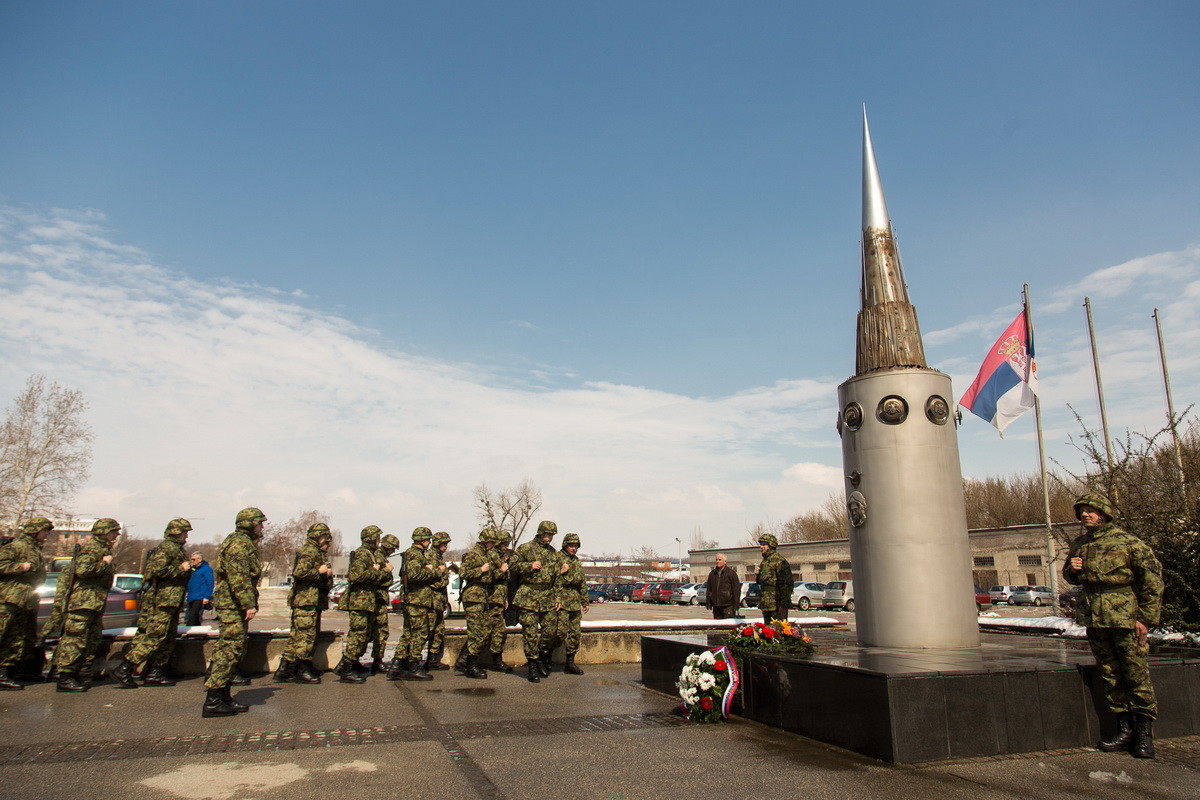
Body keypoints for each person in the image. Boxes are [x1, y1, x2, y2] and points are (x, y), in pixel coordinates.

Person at [1063, 492, 1164, 759]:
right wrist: (1071, 570)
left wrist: (1145, 619)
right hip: (1095, 617)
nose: (1085, 515)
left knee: (1136, 673)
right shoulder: (1080, 543)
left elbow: (1152, 580)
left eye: (1091, 510)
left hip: (1125, 618)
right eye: (1082, 511)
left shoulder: (1128, 542)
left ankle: (1144, 733)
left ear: (1105, 512)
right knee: (1109, 673)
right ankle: (1124, 729)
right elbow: (1071, 578)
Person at [112, 518, 194, 688]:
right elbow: (158, 570)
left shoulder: (176, 549)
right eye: (184, 532)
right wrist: (182, 568)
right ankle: (126, 667)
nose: (186, 536)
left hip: (172, 600)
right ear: (176, 533)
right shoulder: (167, 548)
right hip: (164, 600)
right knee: (156, 636)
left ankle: (155, 671)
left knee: (168, 637)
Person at [203, 507, 265, 718]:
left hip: (233, 604)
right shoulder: (239, 544)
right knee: (229, 650)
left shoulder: (242, 542)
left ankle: (224, 695)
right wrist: (248, 603)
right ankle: (213, 700)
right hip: (233, 605)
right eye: (259, 523)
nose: (261, 527)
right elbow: (239, 576)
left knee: (235, 649)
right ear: (249, 524)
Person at [51, 518, 121, 693]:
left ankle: (78, 673)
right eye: (113, 532)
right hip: (83, 603)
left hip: (93, 603)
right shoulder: (93, 549)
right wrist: (104, 563)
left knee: (91, 640)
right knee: (75, 640)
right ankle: (65, 676)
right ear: (104, 532)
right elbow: (82, 570)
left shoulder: (102, 549)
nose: (116, 535)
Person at [274, 522, 335, 685]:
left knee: (298, 635)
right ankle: (301, 669)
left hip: (311, 600)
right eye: (326, 538)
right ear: (319, 536)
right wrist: (320, 572)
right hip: (306, 600)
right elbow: (300, 573)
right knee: (305, 636)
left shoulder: (315, 551)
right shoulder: (309, 551)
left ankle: (285, 669)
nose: (327, 542)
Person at [0, 517, 52, 690]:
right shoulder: (16, 547)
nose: (46, 535)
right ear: (34, 530)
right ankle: (2, 673)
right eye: (44, 531)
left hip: (25, 600)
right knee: (7, 635)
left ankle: (16, 670)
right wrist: (20, 567)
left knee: (21, 637)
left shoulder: (34, 549)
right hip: (9, 599)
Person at [385, 527, 443, 681]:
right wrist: (435, 571)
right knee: (420, 632)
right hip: (416, 600)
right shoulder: (415, 555)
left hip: (415, 600)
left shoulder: (415, 554)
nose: (429, 542)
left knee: (409, 634)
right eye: (427, 540)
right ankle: (413, 667)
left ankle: (396, 666)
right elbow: (414, 574)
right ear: (421, 540)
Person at [512, 520, 561, 682]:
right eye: (547, 534)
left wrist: (558, 597)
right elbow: (512, 566)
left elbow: (557, 578)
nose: (550, 537)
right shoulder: (525, 548)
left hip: (547, 595)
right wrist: (528, 566)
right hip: (529, 595)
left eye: (552, 535)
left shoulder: (553, 553)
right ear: (540, 533)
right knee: (530, 633)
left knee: (550, 631)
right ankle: (532, 666)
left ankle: (541, 656)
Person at [334, 526, 384, 684]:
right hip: (360, 602)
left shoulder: (370, 553)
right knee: (358, 634)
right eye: (377, 538)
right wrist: (375, 570)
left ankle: (353, 663)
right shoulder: (363, 553)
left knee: (363, 634)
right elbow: (356, 575)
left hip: (366, 602)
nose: (379, 541)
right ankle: (347, 669)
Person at [457, 528, 494, 679]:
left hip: (482, 596)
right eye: (492, 542)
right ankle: (471, 665)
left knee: (484, 629)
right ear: (486, 541)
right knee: (475, 630)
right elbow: (463, 573)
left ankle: (466, 659)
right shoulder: (474, 554)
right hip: (473, 597)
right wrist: (480, 570)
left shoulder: (485, 554)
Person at [551, 532, 588, 675]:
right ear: (565, 545)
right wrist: (560, 571)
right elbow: (549, 578)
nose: (573, 548)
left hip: (573, 601)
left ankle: (570, 663)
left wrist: (585, 601)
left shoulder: (577, 561)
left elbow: (581, 583)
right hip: (561, 600)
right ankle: (546, 657)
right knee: (559, 632)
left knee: (575, 633)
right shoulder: (557, 557)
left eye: (575, 546)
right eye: (571, 546)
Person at [423, 531, 452, 672]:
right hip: (431, 600)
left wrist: (445, 599)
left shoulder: (439, 557)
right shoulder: (429, 557)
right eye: (444, 544)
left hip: (439, 600)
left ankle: (433, 659)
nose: (446, 546)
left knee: (438, 630)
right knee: (427, 630)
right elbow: (430, 580)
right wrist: (439, 573)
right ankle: (413, 661)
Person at [485, 530, 513, 672]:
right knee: (496, 631)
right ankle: (496, 661)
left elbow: (504, 582)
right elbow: (487, 577)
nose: (506, 546)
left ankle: (496, 660)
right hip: (492, 599)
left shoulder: (501, 556)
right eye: (504, 544)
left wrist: (505, 598)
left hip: (499, 599)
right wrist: (501, 570)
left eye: (507, 544)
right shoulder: (491, 555)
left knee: (497, 631)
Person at [371, 533, 399, 674]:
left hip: (379, 598)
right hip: (376, 598)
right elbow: (374, 577)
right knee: (380, 631)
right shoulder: (378, 557)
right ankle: (376, 661)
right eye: (392, 548)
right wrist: (386, 571)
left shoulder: (380, 556)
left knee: (380, 631)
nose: (393, 551)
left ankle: (377, 660)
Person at [754, 533, 792, 623]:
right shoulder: (765, 561)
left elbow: (787, 583)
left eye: (764, 545)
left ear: (771, 545)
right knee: (767, 632)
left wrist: (783, 605)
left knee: (778, 632)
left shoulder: (779, 561)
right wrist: (758, 575)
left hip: (776, 604)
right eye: (761, 544)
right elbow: (764, 581)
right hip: (766, 603)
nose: (761, 547)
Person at [705, 553, 741, 620]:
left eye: (720, 560)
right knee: (718, 626)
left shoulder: (731, 573)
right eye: (717, 560)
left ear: (725, 561)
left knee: (728, 626)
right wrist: (709, 603)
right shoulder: (712, 574)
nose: (718, 561)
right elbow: (709, 589)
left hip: (728, 605)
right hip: (716, 606)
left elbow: (736, 590)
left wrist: (736, 606)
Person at [185, 551, 213, 626]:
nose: (192, 561)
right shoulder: (193, 569)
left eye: (194, 559)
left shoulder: (206, 569)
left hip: (200, 596)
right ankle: (197, 632)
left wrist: (207, 597)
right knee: (195, 617)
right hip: (191, 596)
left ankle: (188, 631)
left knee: (192, 617)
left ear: (200, 559)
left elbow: (210, 583)